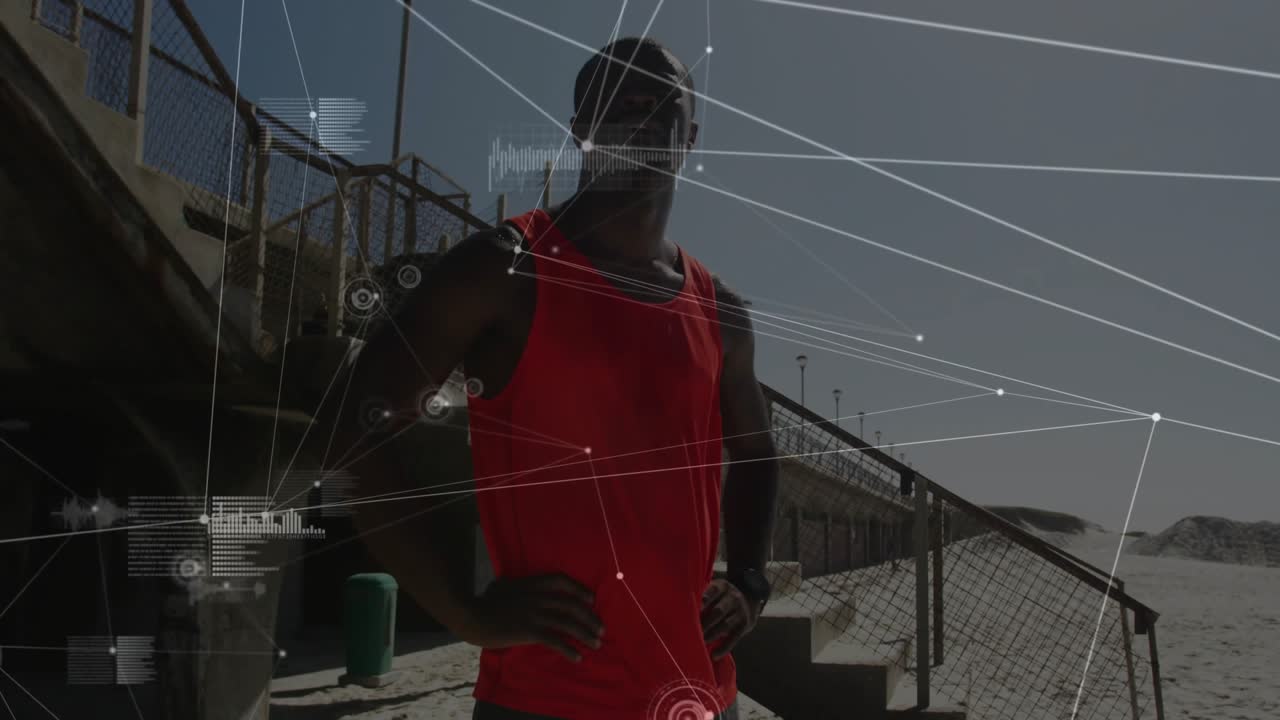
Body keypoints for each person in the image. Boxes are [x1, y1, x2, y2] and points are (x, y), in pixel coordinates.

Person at [340, 36, 779, 720]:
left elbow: (755, 452)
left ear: (689, 134)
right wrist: (469, 613)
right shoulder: (503, 270)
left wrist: (749, 580)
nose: (639, 99)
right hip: (545, 701)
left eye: (659, 96)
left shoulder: (720, 311)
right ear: (580, 131)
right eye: (617, 94)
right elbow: (352, 436)